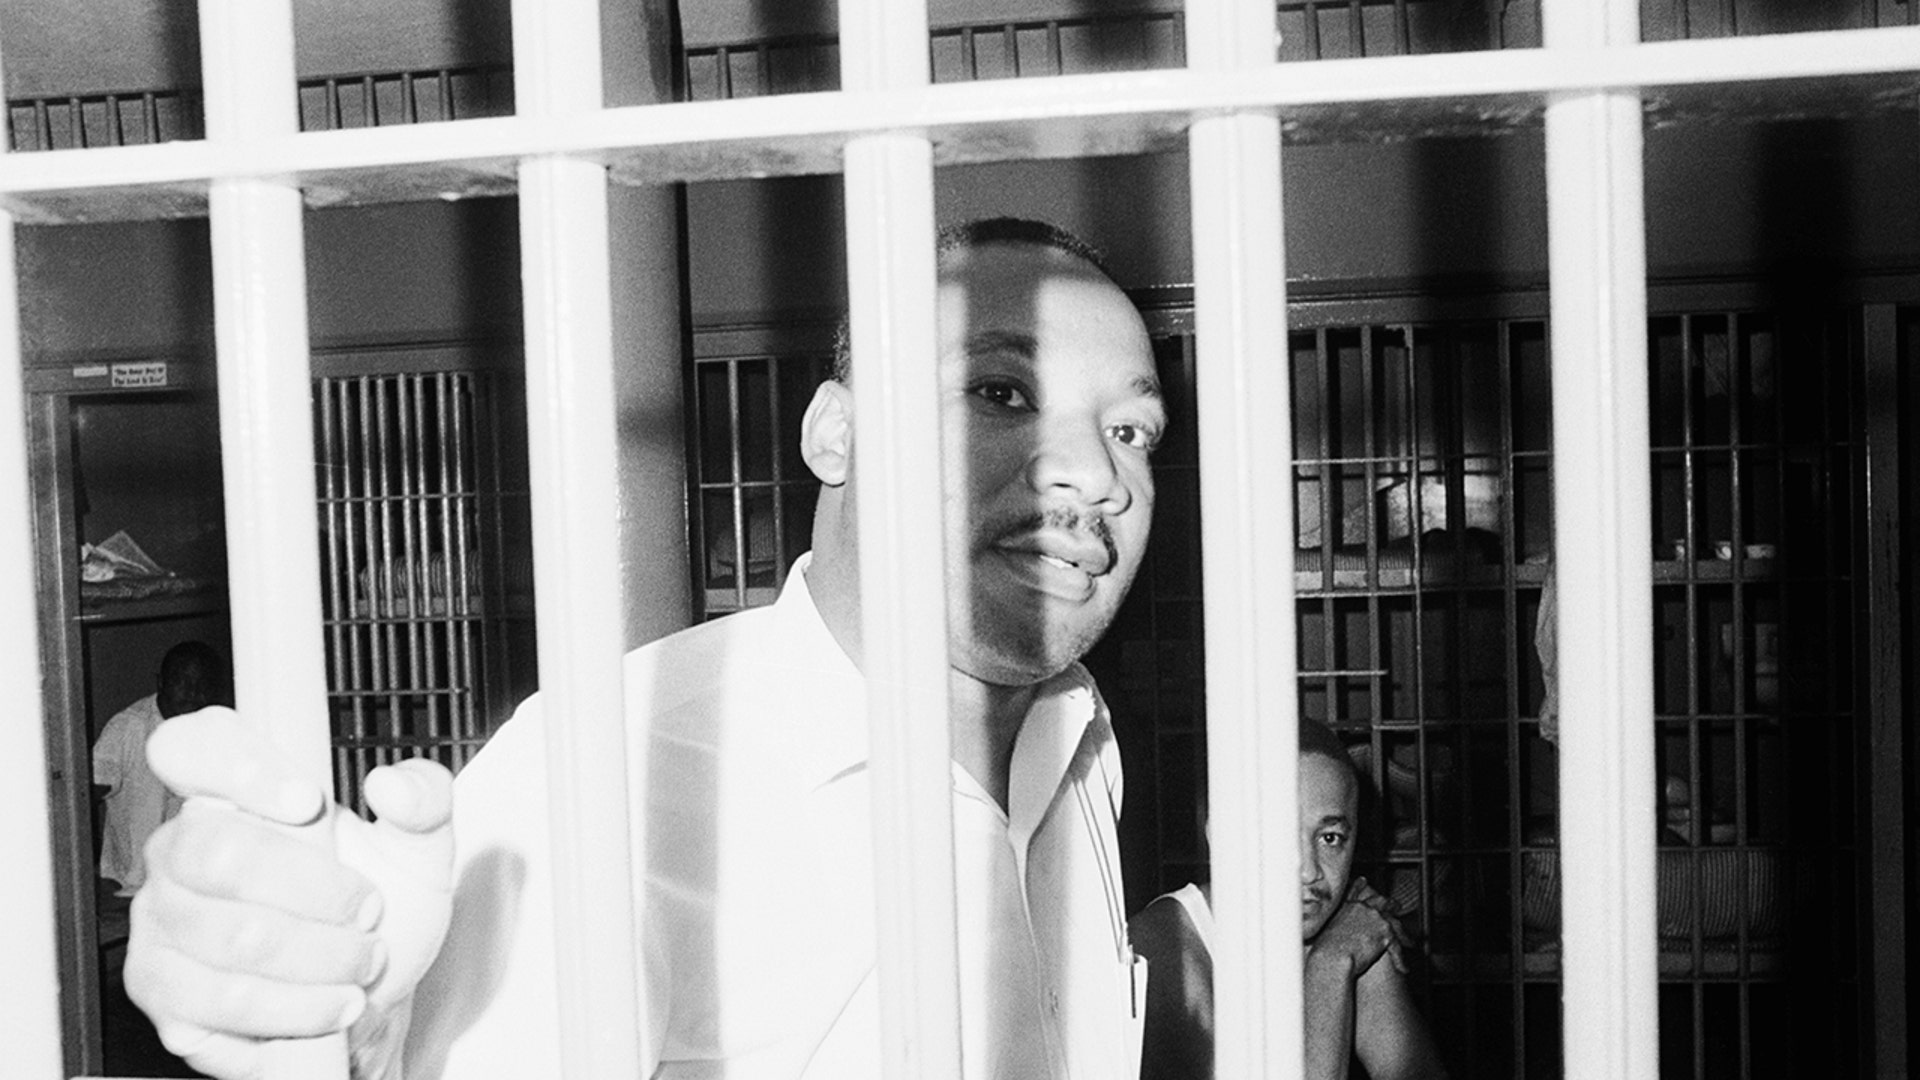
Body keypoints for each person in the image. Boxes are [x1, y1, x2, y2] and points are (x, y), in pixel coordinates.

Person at [124, 217, 1168, 1079]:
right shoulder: (607, 783)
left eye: (1132, 431)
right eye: (1001, 393)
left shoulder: (1080, 739)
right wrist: (327, 1010)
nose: (1096, 475)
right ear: (835, 435)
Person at [1128, 719, 1448, 1080]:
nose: (1309, 871)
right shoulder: (1164, 950)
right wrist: (1330, 965)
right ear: (1221, 836)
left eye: (1330, 838)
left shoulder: (1350, 928)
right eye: (1282, 834)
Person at [92, 641, 230, 896]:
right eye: (183, 682)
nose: (192, 693)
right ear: (162, 682)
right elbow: (86, 792)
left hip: (193, 887)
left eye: (203, 685)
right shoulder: (128, 727)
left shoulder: (214, 729)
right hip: (134, 887)